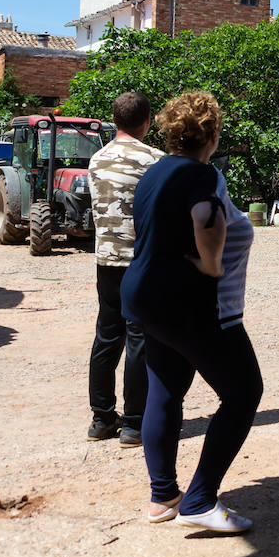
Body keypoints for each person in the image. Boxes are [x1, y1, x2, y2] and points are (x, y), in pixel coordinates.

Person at [121, 91, 262, 535]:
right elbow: (207, 217)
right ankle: (199, 500)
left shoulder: (156, 170)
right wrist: (211, 265)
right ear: (213, 135)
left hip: (146, 297)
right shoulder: (199, 174)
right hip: (188, 302)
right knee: (243, 392)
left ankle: (163, 497)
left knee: (165, 388)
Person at [86, 91, 164, 446]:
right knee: (139, 340)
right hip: (143, 263)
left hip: (107, 262)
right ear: (147, 121)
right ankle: (133, 423)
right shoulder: (157, 161)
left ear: (114, 121)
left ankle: (101, 419)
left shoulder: (96, 160)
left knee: (107, 336)